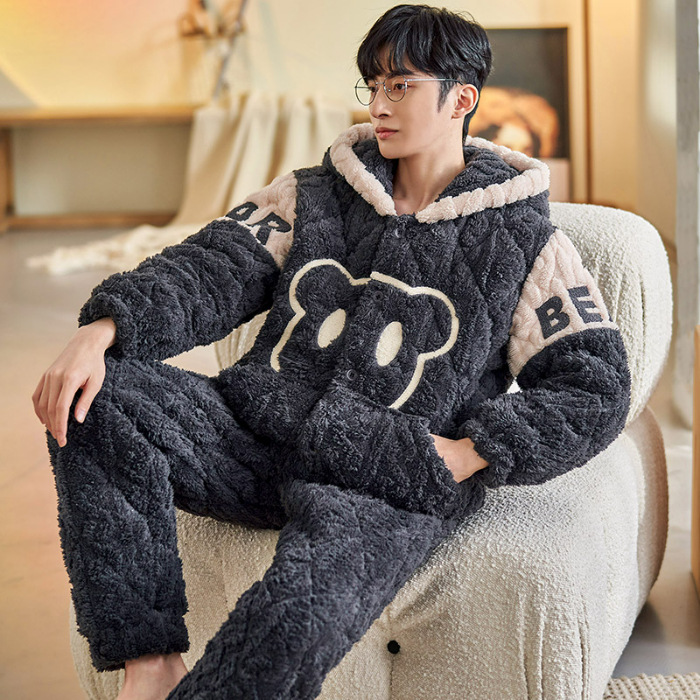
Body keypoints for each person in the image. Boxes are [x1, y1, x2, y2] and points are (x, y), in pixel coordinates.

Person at [32, 4, 631, 699]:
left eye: (400, 86)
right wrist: (103, 328)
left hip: (388, 475)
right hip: (256, 433)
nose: (378, 105)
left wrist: (470, 452)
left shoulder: (528, 243)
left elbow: (595, 385)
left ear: (461, 99)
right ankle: (150, 664)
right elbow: (209, 269)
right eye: (372, 86)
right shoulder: (312, 195)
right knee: (96, 395)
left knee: (291, 622)